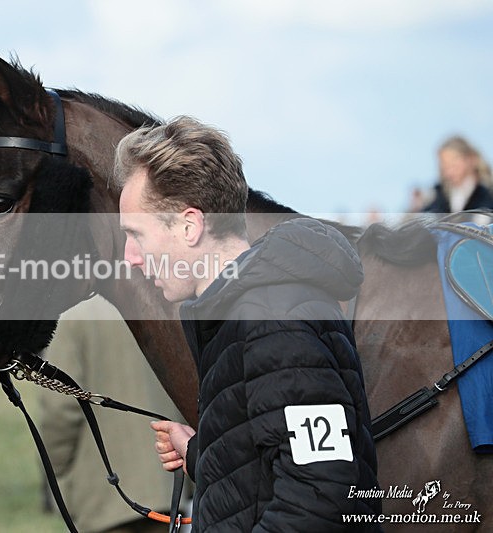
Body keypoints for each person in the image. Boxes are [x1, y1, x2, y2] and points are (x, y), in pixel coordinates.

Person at [114, 116, 381, 531]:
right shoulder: (241, 315)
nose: (130, 256)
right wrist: (204, 453)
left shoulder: (272, 321)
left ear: (189, 226)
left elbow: (323, 491)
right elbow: (269, 463)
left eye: (138, 235)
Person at [39, 295, 187, 533]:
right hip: (165, 485)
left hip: (102, 497)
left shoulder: (72, 318)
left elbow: (60, 408)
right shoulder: (153, 303)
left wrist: (55, 471)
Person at [421, 135, 493, 213]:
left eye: (454, 165)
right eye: (444, 167)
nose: (449, 172)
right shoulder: (436, 196)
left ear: (470, 160)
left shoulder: (488, 194)